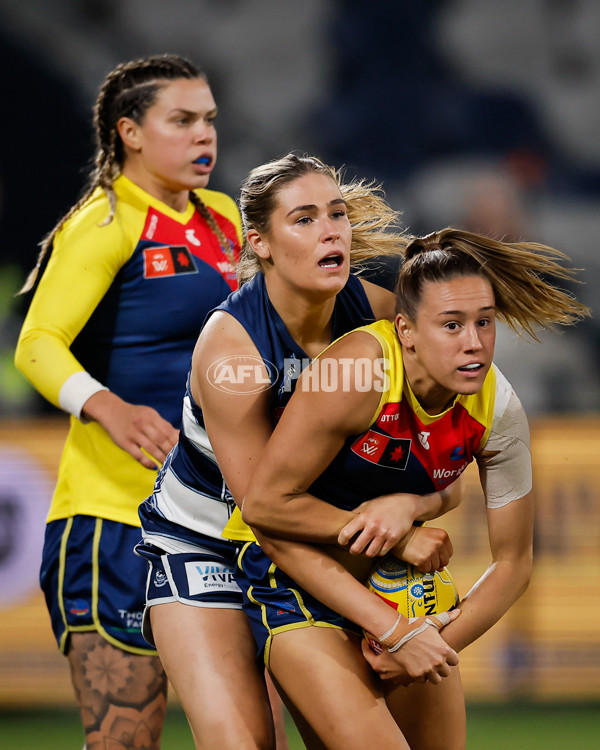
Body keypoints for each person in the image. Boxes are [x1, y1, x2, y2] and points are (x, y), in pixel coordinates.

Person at [137, 152, 460, 750]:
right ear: (259, 243)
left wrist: (413, 505)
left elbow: (442, 456)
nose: (332, 228)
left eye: (337, 213)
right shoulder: (233, 351)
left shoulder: (383, 315)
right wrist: (397, 534)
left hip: (317, 544)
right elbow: (262, 510)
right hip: (208, 541)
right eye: (305, 219)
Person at [238, 227, 591, 750]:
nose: (473, 343)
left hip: (401, 596)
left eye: (484, 323)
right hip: (297, 586)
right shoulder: (358, 372)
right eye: (451, 325)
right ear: (405, 330)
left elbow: (514, 563)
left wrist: (435, 640)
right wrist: (398, 593)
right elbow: (265, 507)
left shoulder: (498, 408)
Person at [14, 54, 243, 750]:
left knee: (248, 737)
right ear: (131, 133)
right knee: (124, 742)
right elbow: (36, 345)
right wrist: (106, 407)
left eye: (209, 120)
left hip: (218, 525)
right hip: (116, 524)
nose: (204, 135)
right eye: (182, 121)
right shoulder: (106, 223)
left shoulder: (226, 218)